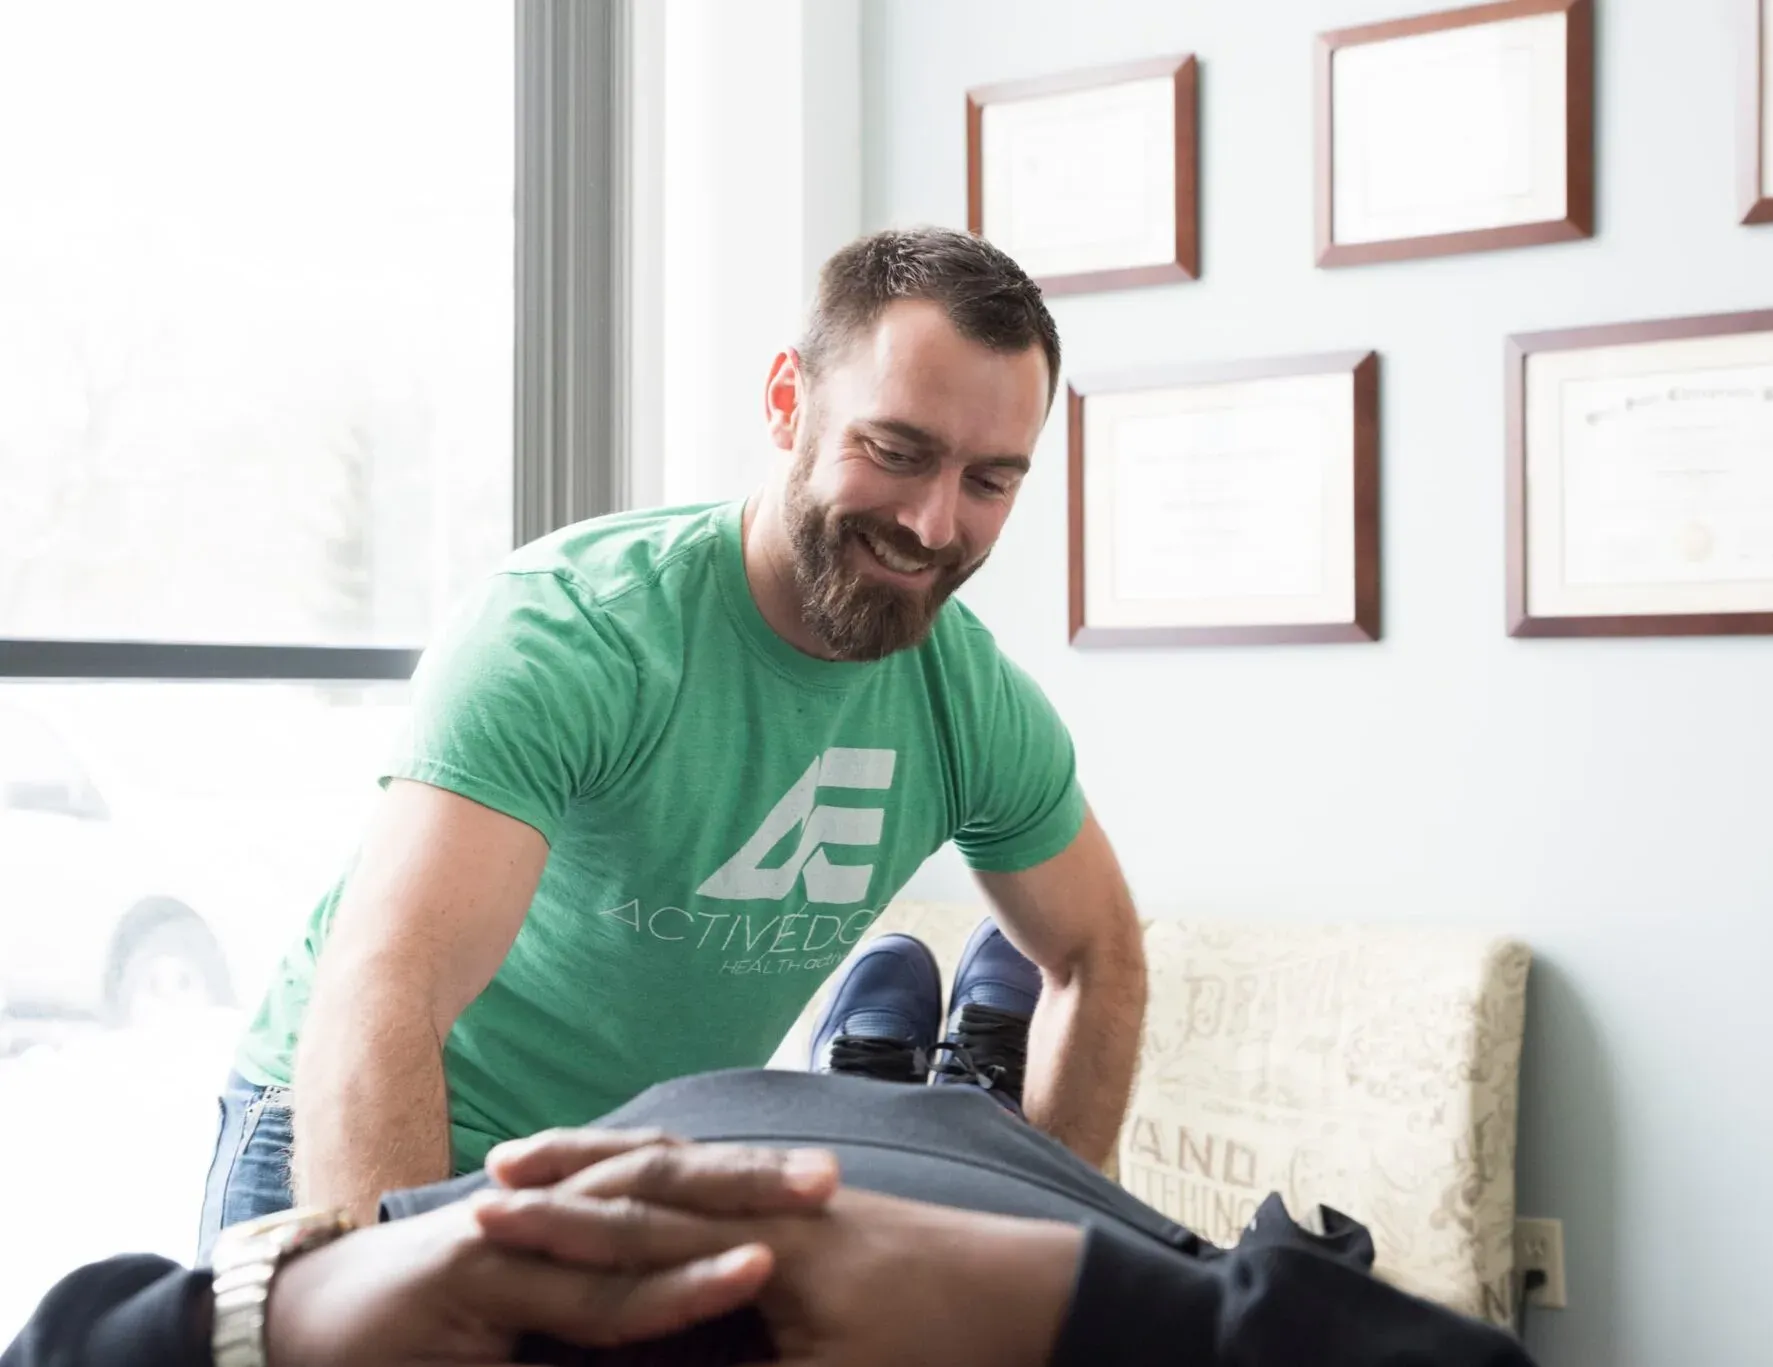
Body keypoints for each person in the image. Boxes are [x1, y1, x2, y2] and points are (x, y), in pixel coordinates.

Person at [199, 225, 1148, 1258]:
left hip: (625, 1167)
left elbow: (1099, 953)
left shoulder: (967, 699)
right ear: (788, 401)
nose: (932, 522)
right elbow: (388, 983)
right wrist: (398, 1282)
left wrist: (1054, 1240)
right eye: (896, 451)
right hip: (359, 1124)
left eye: (988, 480)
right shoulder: (572, 632)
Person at [14, 930, 1538, 1367]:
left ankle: (897, 1085)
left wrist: (280, 1303)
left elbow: (66, 1339)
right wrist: (1066, 1298)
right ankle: (963, 1101)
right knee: (956, 1148)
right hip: (965, 1228)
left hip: (671, 1173)